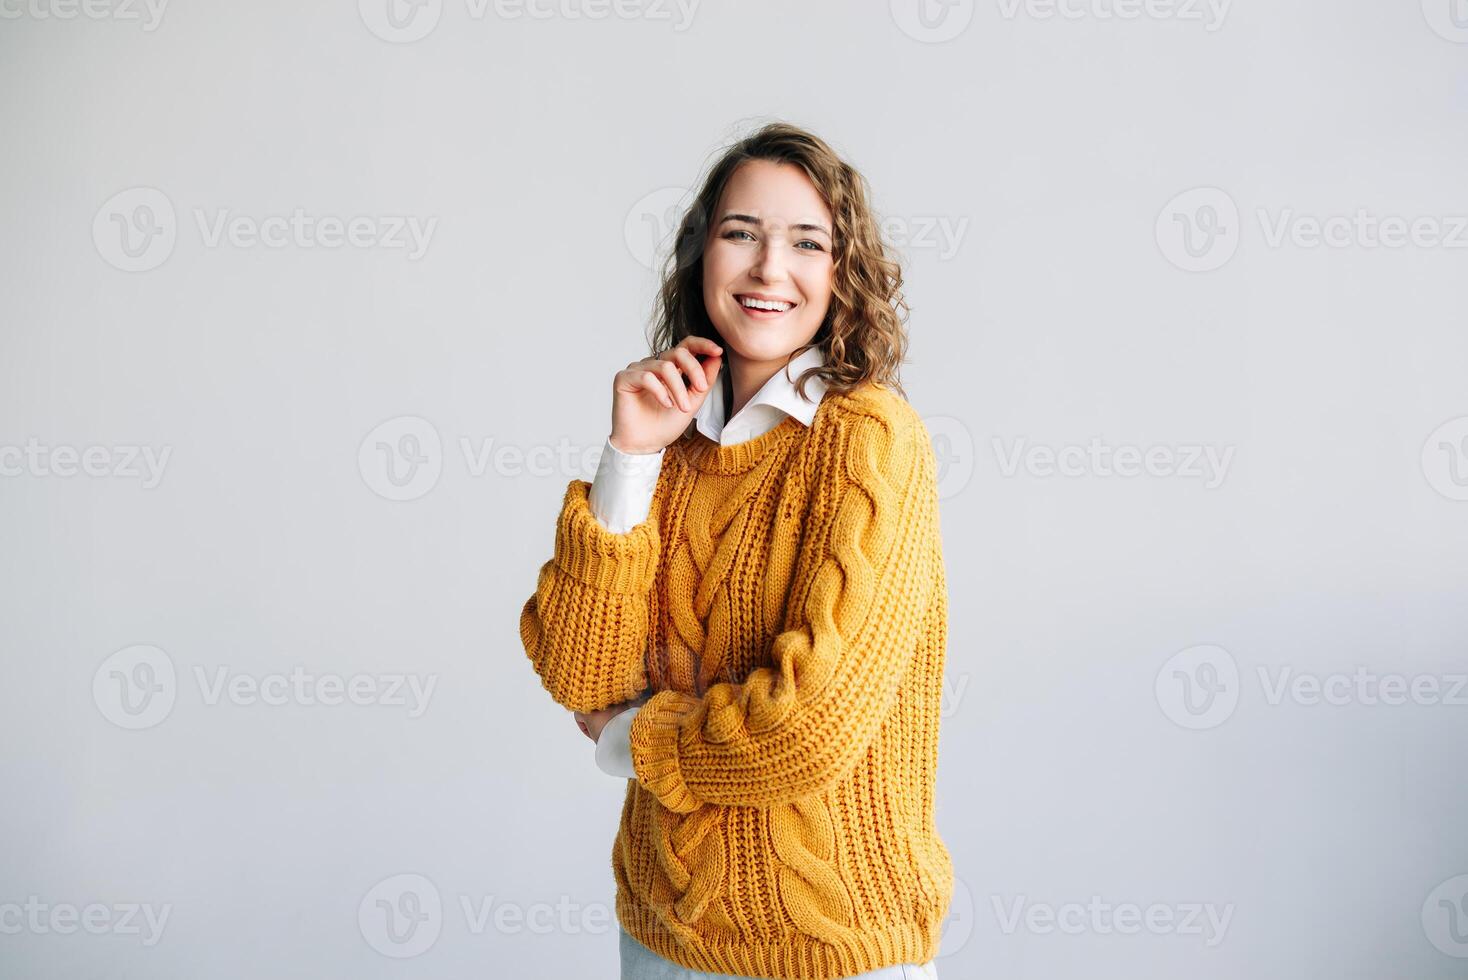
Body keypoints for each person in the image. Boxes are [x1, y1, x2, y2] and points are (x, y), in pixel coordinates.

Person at [519, 121, 951, 980]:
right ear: (701, 255)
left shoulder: (868, 440)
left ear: (842, 273)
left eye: (806, 242)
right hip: (662, 934)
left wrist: (633, 738)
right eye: (740, 234)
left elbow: (810, 725)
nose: (768, 268)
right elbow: (577, 672)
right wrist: (631, 456)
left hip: (832, 951)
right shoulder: (669, 441)